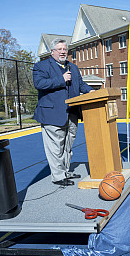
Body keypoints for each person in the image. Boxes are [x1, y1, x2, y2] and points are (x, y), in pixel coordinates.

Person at [33, 38, 94, 186]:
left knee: (67, 146)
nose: (62, 52)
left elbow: (80, 84)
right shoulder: (41, 66)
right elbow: (39, 84)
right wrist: (61, 79)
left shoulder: (73, 67)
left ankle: (65, 171)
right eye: (59, 49)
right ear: (52, 51)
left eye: (64, 49)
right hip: (52, 114)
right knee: (55, 148)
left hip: (71, 114)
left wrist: (90, 91)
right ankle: (58, 176)